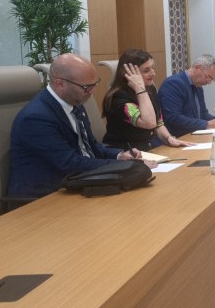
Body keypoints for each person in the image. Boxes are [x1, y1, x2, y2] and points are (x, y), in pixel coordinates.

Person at [9, 53, 142, 199]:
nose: (92, 92)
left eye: (94, 84)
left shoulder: (74, 103)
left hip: (77, 184)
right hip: (44, 197)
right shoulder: (36, 118)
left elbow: (91, 147)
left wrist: (120, 156)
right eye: (86, 87)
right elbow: (70, 163)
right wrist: (124, 167)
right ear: (60, 84)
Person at [102, 49, 194, 151]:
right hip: (126, 152)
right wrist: (140, 89)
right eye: (146, 71)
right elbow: (149, 123)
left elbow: (158, 123)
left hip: (147, 148)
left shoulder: (149, 89)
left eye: (152, 68)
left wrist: (169, 138)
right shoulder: (118, 98)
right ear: (129, 74)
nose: (153, 73)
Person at [158, 54, 215, 138]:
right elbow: (173, 118)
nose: (209, 82)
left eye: (212, 79)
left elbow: (203, 114)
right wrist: (207, 124)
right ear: (197, 68)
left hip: (194, 135)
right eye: (208, 77)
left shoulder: (198, 86)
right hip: (177, 137)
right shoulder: (173, 84)